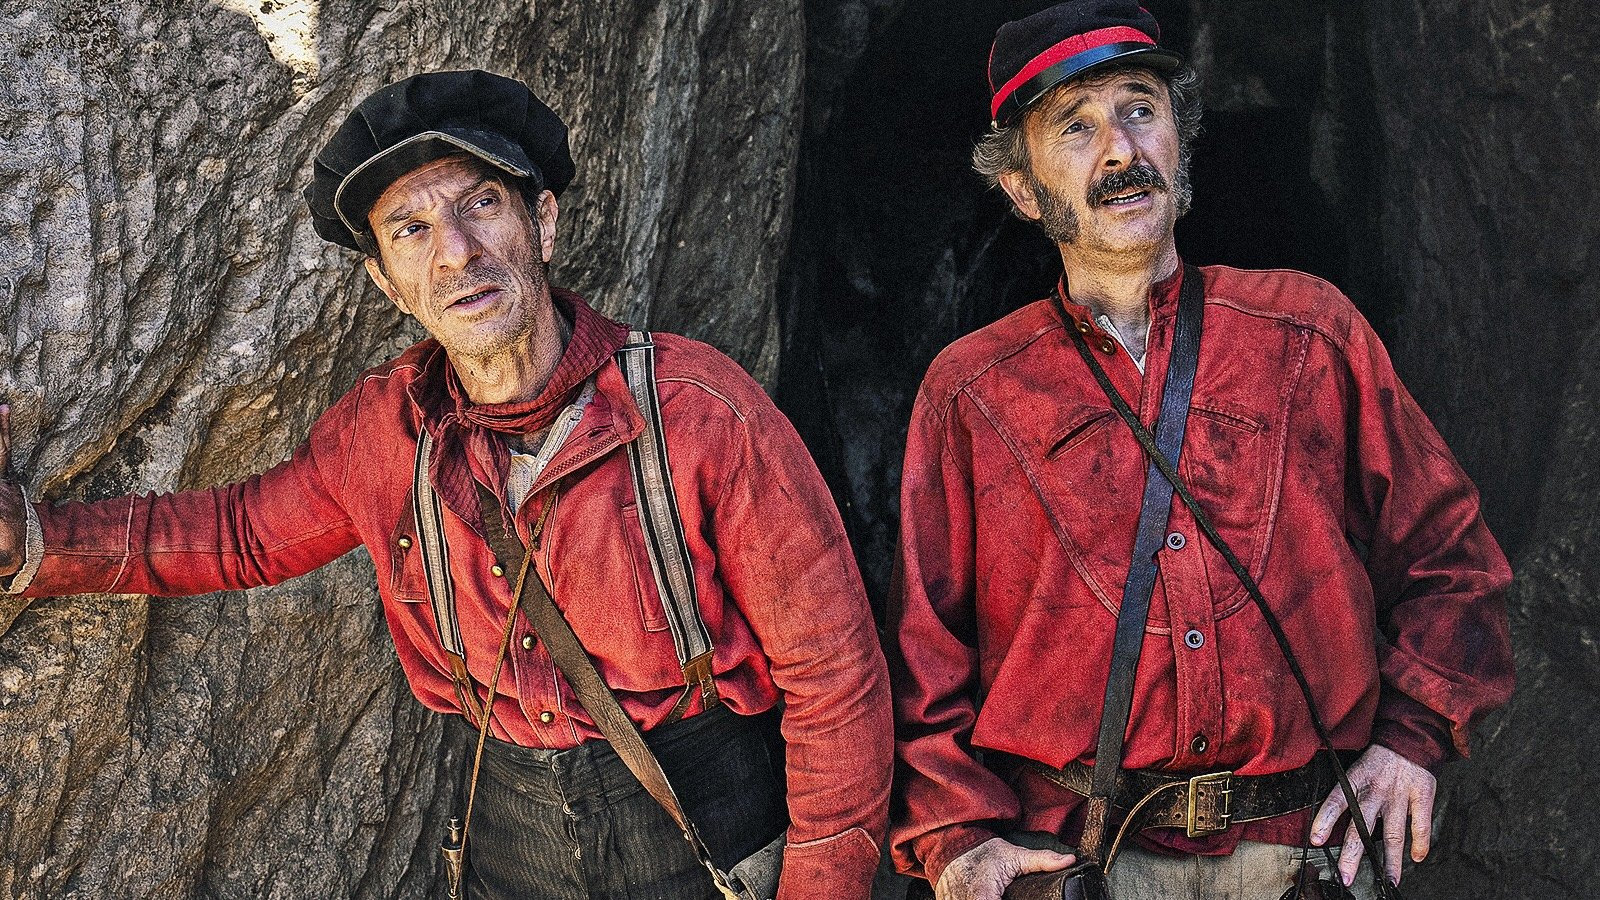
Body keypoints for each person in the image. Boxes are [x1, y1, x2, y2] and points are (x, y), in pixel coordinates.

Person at [0, 70, 891, 900]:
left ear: (542, 223)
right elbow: (243, 534)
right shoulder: (382, 432)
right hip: (507, 837)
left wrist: (822, 881)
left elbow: (835, 674)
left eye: (482, 204)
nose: (457, 255)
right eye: (411, 231)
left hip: (711, 825)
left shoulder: (698, 410)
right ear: (386, 281)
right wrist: (34, 541)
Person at [886, 3, 1513, 899]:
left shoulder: (1310, 331)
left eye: (1141, 108)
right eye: (1076, 125)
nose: (1120, 150)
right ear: (1021, 189)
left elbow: (1448, 553)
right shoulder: (973, 392)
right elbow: (924, 651)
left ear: (1179, 135)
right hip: (1084, 862)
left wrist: (1410, 740)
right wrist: (955, 840)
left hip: (1300, 853)